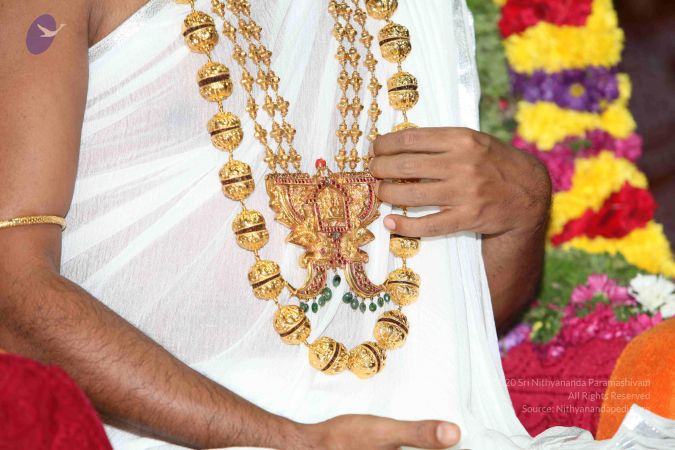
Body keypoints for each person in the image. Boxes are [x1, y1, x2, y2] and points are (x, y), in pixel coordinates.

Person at [4, 1, 663, 449]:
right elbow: (12, 288)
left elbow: (426, 335)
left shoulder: (411, 14)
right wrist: (290, 440)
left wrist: (521, 214)